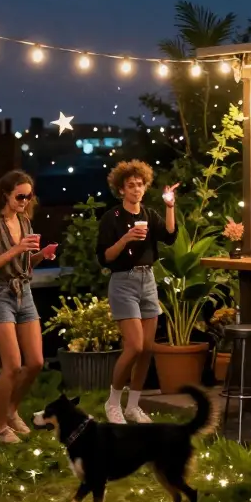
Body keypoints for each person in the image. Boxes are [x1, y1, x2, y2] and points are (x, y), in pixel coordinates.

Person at [0, 170, 58, 443]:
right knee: (12, 365)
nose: (25, 201)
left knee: (35, 362)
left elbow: (23, 264)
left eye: (29, 196)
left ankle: (11, 411)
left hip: (25, 293)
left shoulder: (24, 221)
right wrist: (17, 249)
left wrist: (40, 256)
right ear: (5, 195)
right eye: (20, 196)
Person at [95, 160, 178, 424]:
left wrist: (170, 207)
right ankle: (113, 403)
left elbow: (169, 236)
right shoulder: (112, 218)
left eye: (140, 185)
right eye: (130, 186)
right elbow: (105, 257)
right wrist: (126, 239)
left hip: (148, 280)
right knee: (134, 346)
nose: (136, 189)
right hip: (123, 282)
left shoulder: (149, 214)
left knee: (147, 349)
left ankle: (133, 406)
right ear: (121, 190)